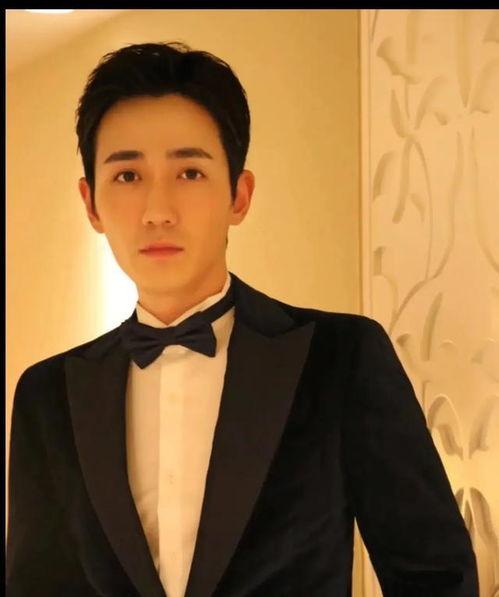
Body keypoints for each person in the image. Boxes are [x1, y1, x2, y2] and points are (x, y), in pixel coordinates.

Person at [6, 42, 479, 597]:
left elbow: (435, 577)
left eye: (189, 172)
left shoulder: (342, 357)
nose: (157, 210)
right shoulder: (47, 394)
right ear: (91, 204)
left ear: (239, 195)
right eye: (128, 176)